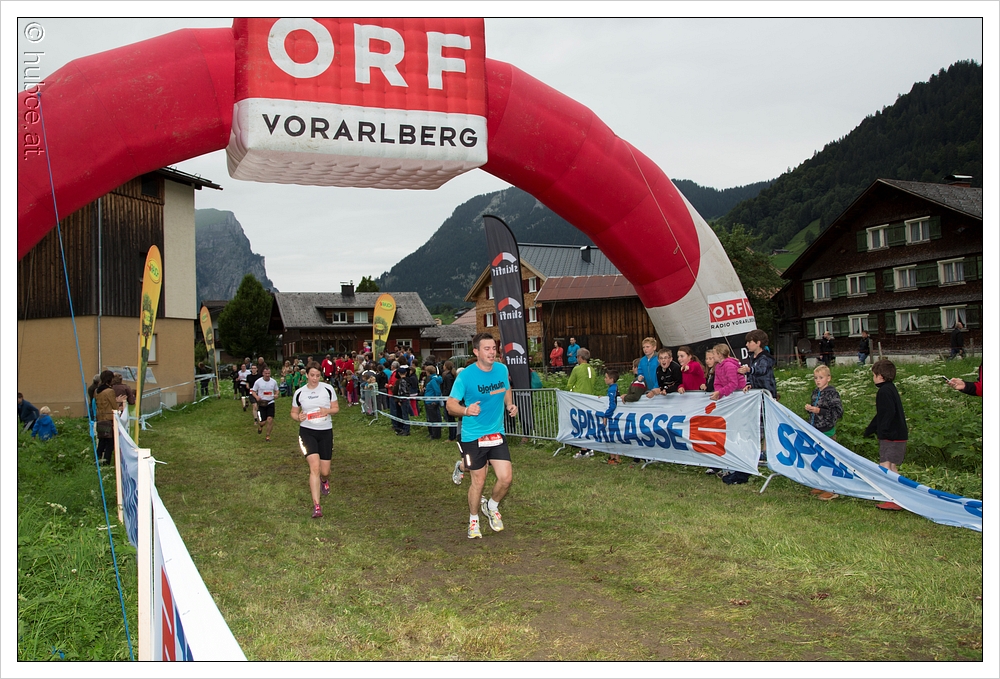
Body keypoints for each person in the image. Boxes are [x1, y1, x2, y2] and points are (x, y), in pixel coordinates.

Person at [446, 333, 518, 539]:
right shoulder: (466, 376)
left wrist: (510, 404)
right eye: (487, 349)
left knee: (506, 478)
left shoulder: (502, 369)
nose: (492, 352)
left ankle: (492, 506)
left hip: (496, 433)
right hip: (473, 435)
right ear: (476, 351)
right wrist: (466, 410)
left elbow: (506, 388)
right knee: (479, 480)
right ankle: (473, 519)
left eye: (494, 348)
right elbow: (450, 405)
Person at [289, 363, 339, 519]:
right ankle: (317, 506)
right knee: (315, 467)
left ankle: (324, 480)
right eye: (312, 375)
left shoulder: (328, 389)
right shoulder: (300, 392)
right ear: (306, 375)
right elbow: (293, 412)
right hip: (307, 432)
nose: (315, 379)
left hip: (325, 432)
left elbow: (336, 408)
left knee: (325, 471)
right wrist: (298, 417)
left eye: (317, 376)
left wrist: (327, 411)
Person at [864, 359, 908, 511]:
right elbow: (882, 414)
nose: (873, 378)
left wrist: (883, 431)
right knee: (892, 466)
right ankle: (898, 498)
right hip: (898, 434)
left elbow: (888, 413)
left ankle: (893, 499)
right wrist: (871, 429)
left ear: (880, 376)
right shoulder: (890, 389)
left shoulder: (884, 391)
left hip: (891, 436)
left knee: (885, 466)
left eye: (874, 375)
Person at [804, 365, 844, 501]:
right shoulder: (815, 393)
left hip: (827, 431)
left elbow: (838, 412)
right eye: (815, 378)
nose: (818, 380)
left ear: (828, 378)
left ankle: (832, 489)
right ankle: (821, 483)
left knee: (828, 460)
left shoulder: (832, 394)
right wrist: (810, 410)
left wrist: (819, 411)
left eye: (821, 378)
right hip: (815, 429)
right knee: (818, 459)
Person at [94, 370, 122, 465]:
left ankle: (97, 459)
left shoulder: (97, 391)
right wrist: (119, 403)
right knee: (110, 442)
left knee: (102, 441)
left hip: (100, 418)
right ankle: (106, 461)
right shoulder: (110, 391)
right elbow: (114, 406)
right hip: (109, 419)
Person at [739, 330, 778, 399]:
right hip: (757, 393)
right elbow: (751, 374)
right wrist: (749, 384)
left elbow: (762, 370)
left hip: (767, 392)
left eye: (749, 342)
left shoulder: (765, 358)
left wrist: (749, 370)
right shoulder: (752, 357)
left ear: (758, 343)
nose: (747, 345)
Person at [600, 369, 622, 465]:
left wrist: (606, 416)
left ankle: (616, 458)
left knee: (613, 436)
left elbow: (613, 405)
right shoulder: (613, 388)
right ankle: (612, 457)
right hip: (613, 415)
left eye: (606, 377)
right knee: (611, 436)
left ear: (611, 379)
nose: (604, 379)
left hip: (612, 416)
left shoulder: (612, 389)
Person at [252, 366, 279, 441]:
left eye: (269, 373)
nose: (267, 375)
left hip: (270, 402)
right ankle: (260, 426)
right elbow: (253, 391)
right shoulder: (258, 382)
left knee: (270, 419)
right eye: (266, 373)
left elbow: (277, 390)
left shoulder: (273, 382)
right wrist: (256, 397)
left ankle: (267, 436)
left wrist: (276, 394)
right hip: (262, 403)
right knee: (263, 422)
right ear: (263, 373)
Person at [441, 360, 459, 443]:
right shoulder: (452, 375)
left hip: (448, 398)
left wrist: (444, 395)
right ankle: (453, 435)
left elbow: (448, 388)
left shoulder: (447, 377)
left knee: (450, 418)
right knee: (451, 418)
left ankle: (452, 436)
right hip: (451, 397)